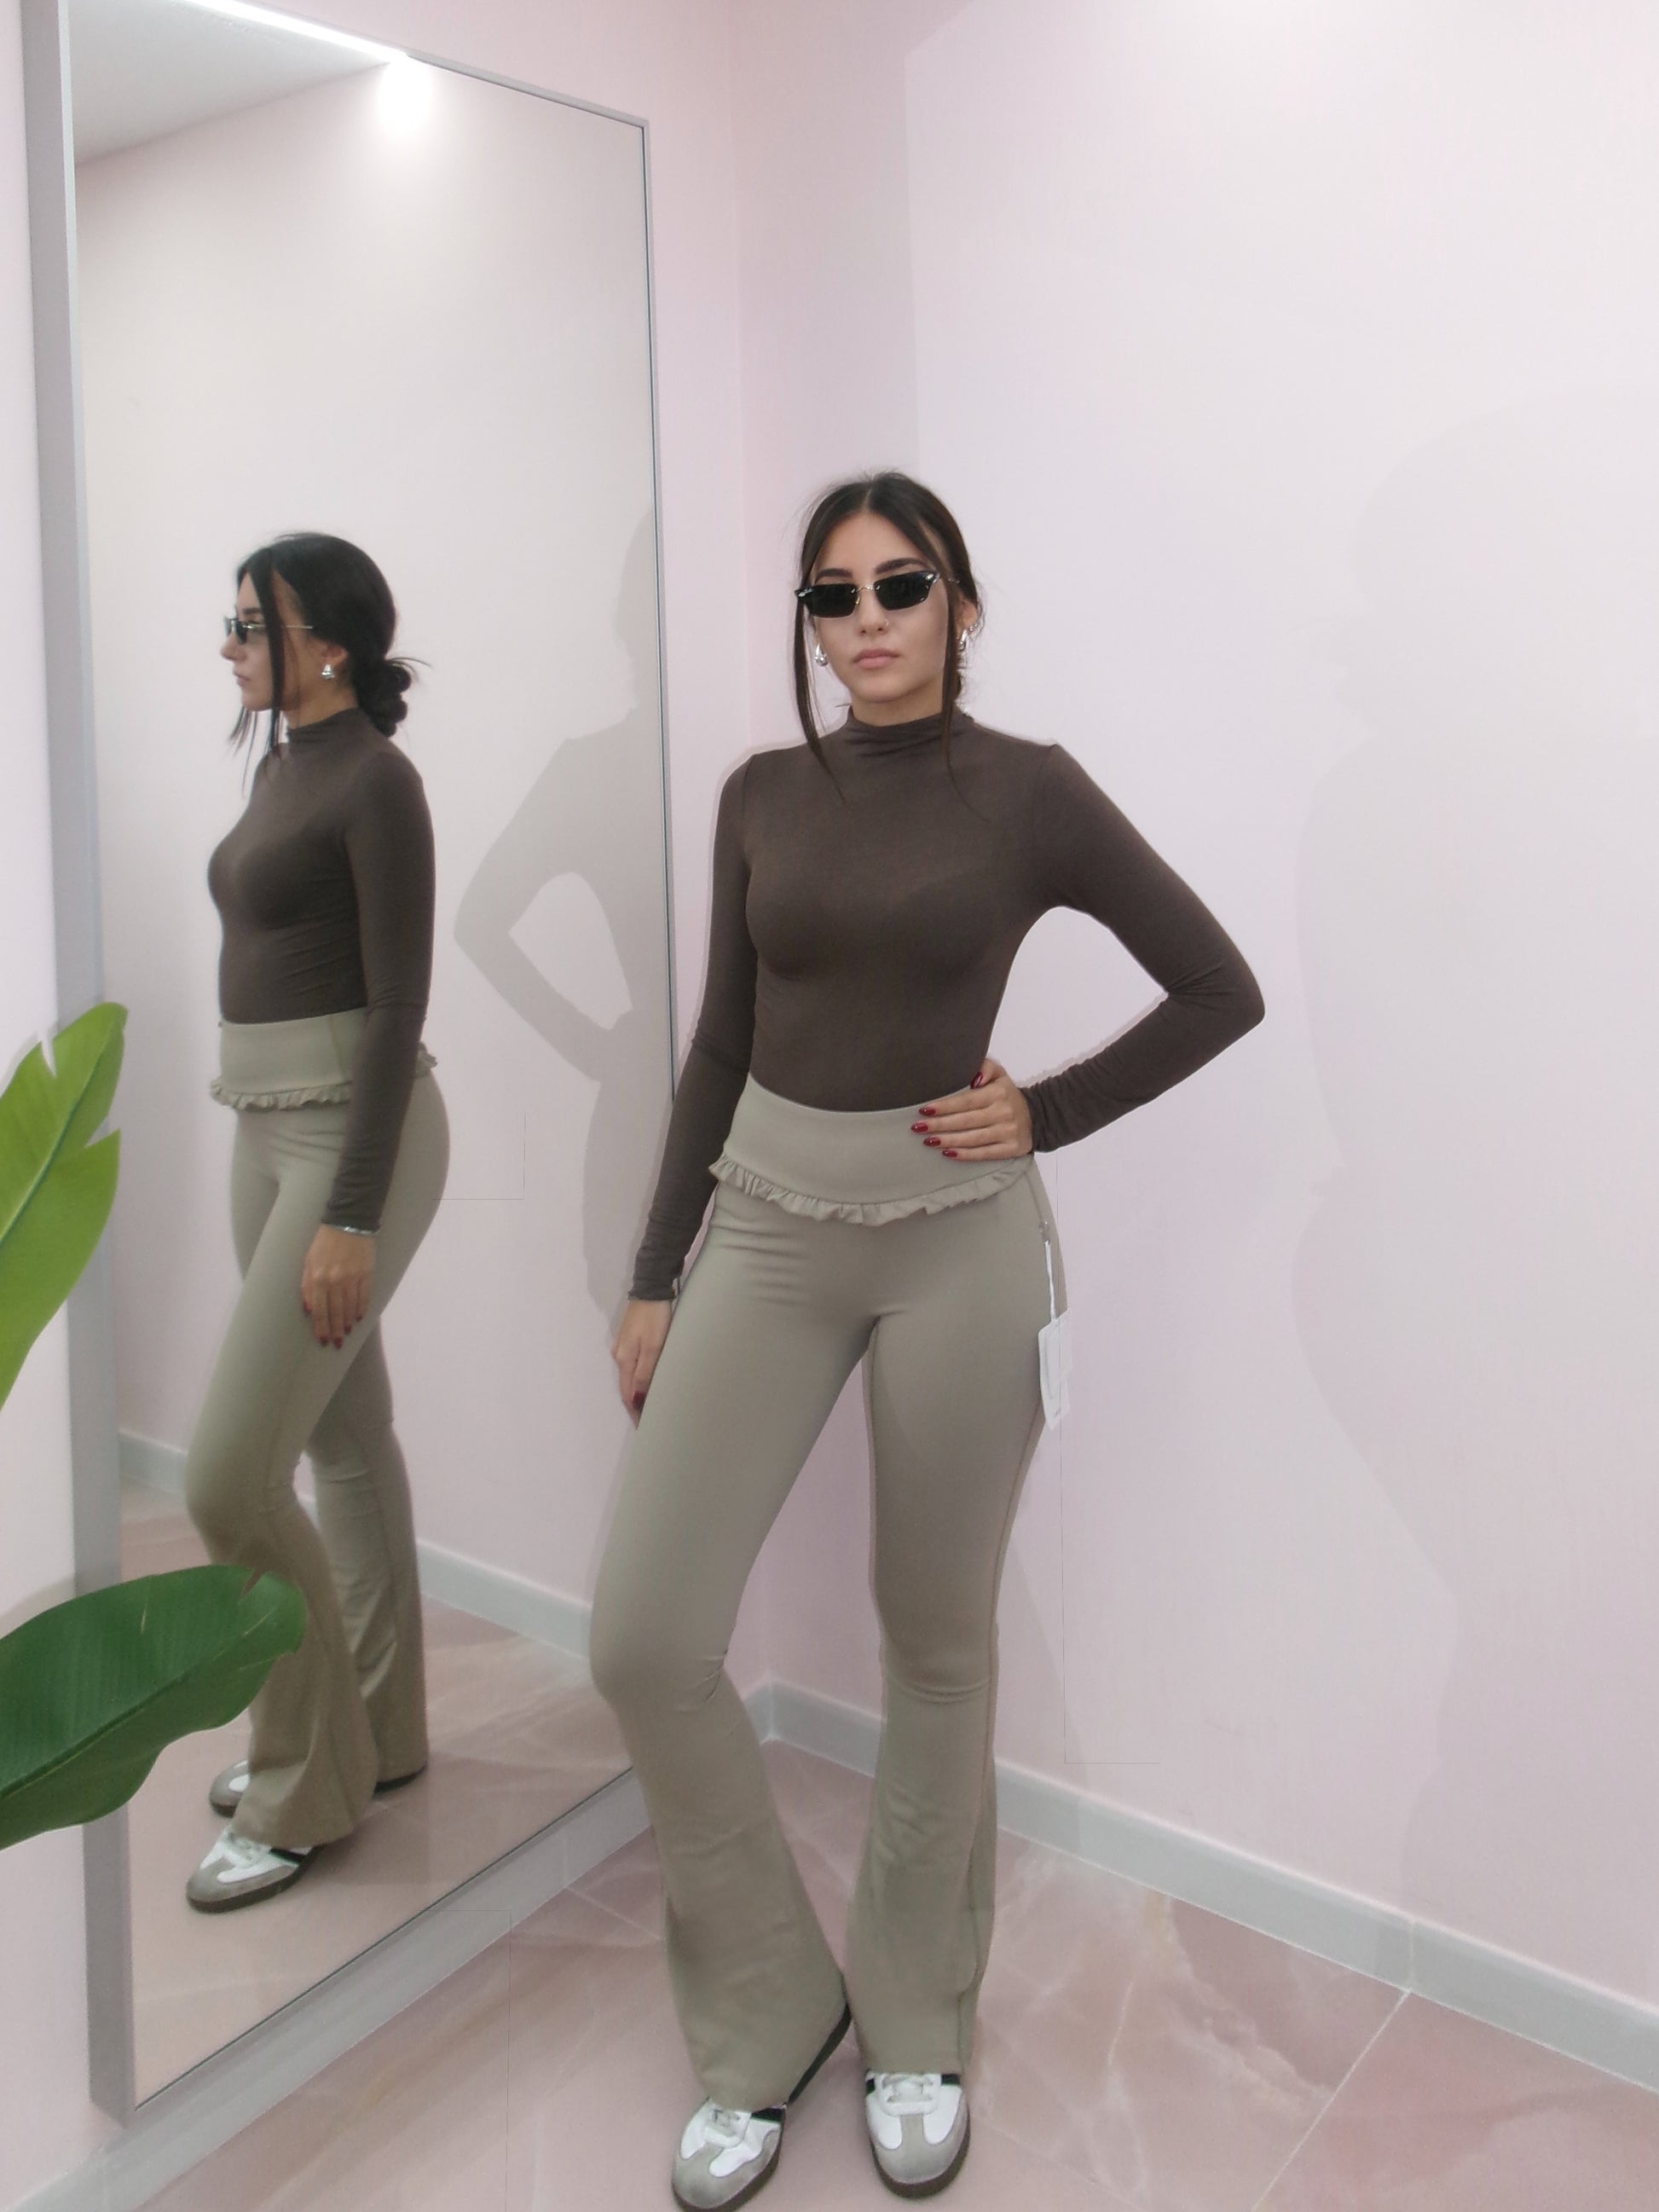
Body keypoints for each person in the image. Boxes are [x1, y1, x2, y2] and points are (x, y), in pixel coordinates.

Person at [590, 471, 1264, 2206]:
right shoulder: (759, 796)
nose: (868, 619)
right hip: (764, 1223)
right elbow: (718, 1046)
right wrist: (657, 1269)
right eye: (833, 595)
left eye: (902, 584)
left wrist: (1042, 1110)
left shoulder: (1028, 791)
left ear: (961, 605)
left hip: (958, 1245)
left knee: (935, 1642)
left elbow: (1218, 985)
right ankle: (768, 2009)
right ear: (808, 625)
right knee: (646, 1635)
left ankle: (915, 2017)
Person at [182, 533, 449, 1913]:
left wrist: (350, 1211)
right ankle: (378, 1727)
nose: (230, 645)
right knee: (343, 1438)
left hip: (352, 1134)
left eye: (253, 624)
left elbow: (399, 1007)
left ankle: (304, 1778)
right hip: (261, 1119)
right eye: (231, 622)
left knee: (226, 1479)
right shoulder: (281, 763)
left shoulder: (377, 780)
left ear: (328, 641)